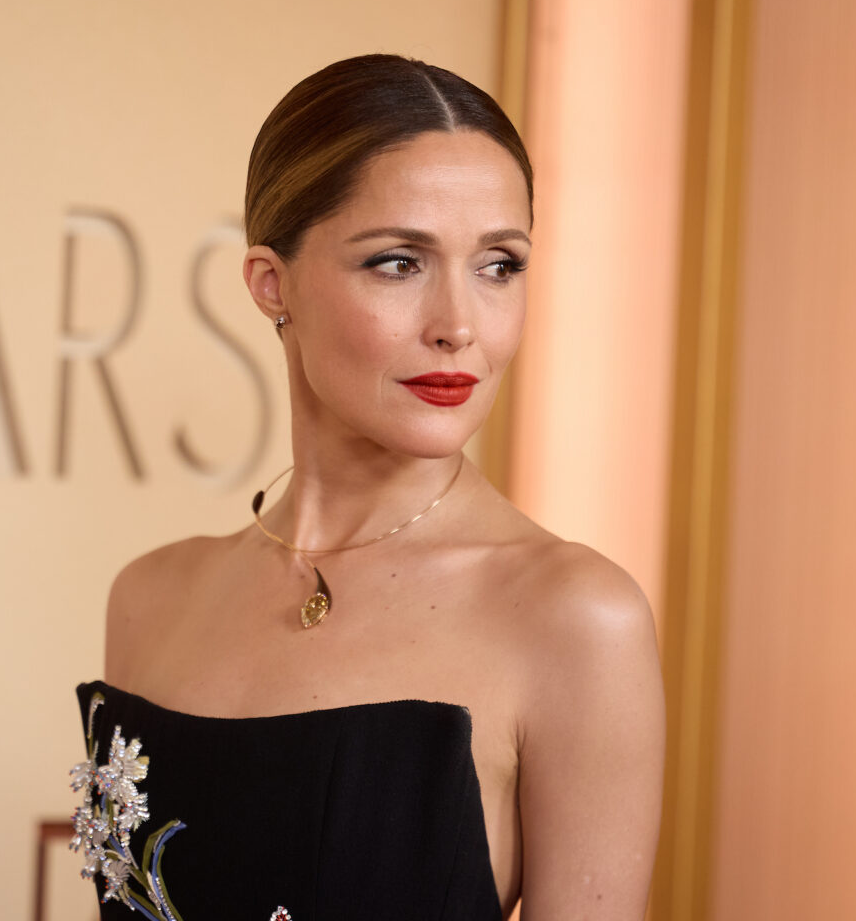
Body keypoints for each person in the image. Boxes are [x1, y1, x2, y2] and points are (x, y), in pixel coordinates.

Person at [70, 53, 665, 921]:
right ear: (273, 286)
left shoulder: (576, 619)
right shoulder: (149, 599)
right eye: (399, 262)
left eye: (500, 265)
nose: (459, 326)